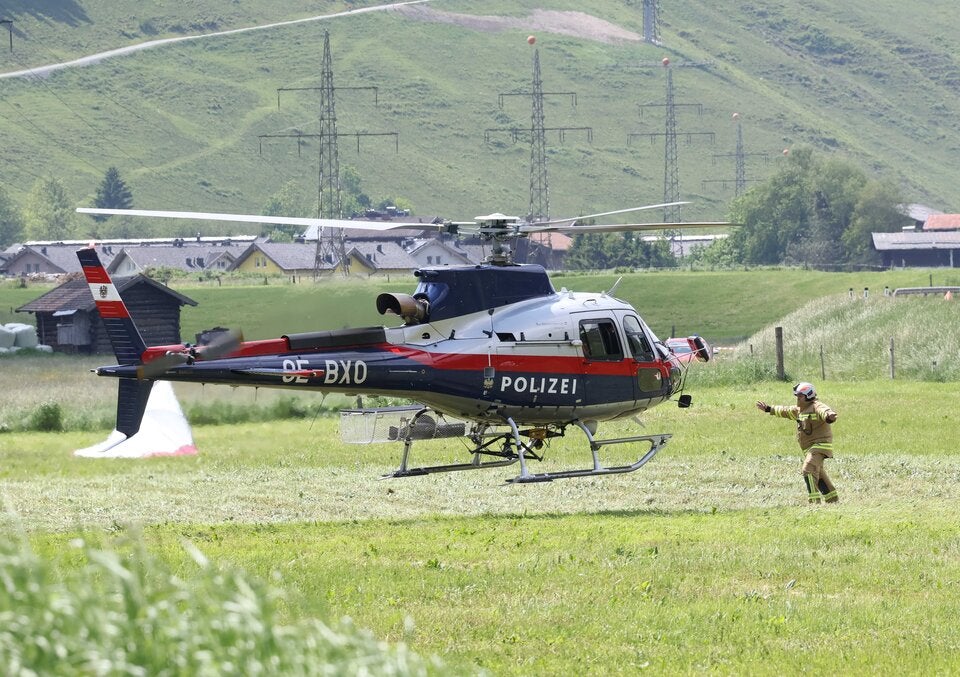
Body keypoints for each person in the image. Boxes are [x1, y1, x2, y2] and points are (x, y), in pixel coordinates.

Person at [756, 382, 839, 504]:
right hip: (810, 448)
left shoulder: (816, 406)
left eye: (800, 396)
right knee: (818, 473)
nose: (798, 398)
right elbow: (785, 410)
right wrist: (768, 409)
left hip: (820, 446)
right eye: (797, 396)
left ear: (808, 396)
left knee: (808, 469)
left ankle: (814, 502)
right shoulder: (799, 410)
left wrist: (829, 415)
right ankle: (832, 499)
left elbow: (824, 411)